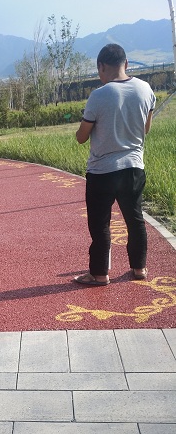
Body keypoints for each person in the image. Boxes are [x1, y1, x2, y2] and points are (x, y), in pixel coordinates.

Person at [74, 43, 156, 286]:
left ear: (101, 66)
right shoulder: (145, 89)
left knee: (100, 223)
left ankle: (99, 274)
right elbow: (146, 129)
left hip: (102, 171)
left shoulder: (99, 95)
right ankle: (139, 267)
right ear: (126, 63)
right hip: (133, 167)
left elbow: (81, 137)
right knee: (135, 218)